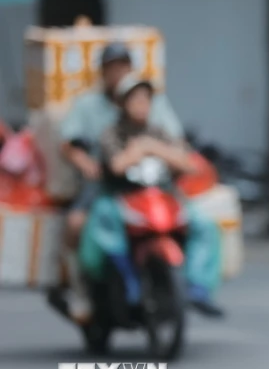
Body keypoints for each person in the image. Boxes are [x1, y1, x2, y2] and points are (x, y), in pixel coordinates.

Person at [79, 73, 224, 317]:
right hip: (121, 197)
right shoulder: (112, 133)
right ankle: (128, 280)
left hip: (160, 198)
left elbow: (189, 164)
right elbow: (117, 166)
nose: (141, 105)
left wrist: (150, 147)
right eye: (134, 99)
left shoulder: (159, 132)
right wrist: (142, 151)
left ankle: (198, 287)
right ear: (122, 104)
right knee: (105, 222)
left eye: (145, 99)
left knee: (203, 225)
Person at [58, 42, 184, 322]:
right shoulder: (102, 121)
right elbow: (80, 149)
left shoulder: (153, 112)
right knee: (80, 223)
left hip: (150, 182)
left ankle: (183, 286)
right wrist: (91, 164)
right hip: (108, 182)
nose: (140, 105)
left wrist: (156, 150)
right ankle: (83, 292)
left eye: (123, 67)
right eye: (112, 68)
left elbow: (179, 146)